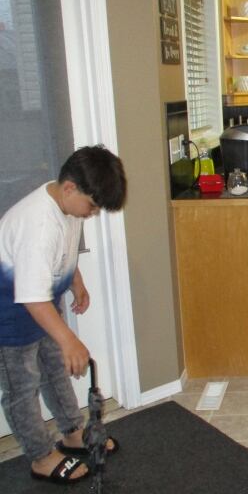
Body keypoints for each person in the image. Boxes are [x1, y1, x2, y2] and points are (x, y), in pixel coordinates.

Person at [0, 145, 126, 484]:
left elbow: (63, 253)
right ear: (70, 187)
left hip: (38, 300)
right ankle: (41, 456)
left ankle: (72, 432)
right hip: (8, 313)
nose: (93, 213)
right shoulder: (39, 226)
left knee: (54, 371)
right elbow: (30, 296)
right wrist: (69, 339)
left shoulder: (68, 208)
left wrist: (75, 280)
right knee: (22, 385)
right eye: (93, 206)